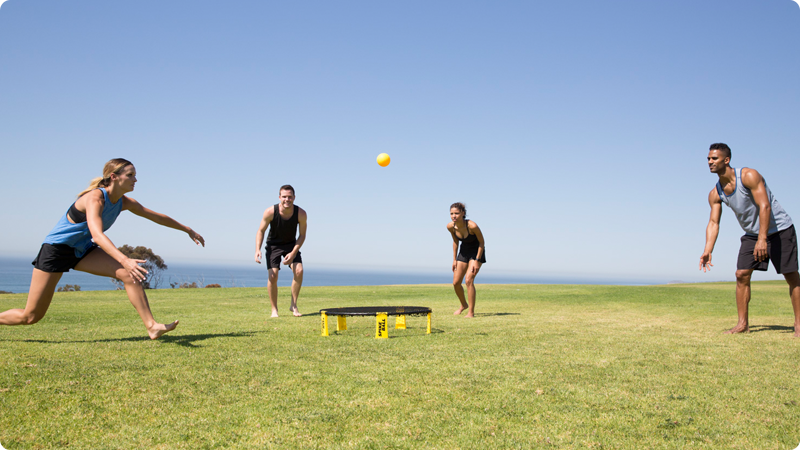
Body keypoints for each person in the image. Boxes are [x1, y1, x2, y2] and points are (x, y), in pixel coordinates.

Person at [0, 158, 205, 339]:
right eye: (131, 175)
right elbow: (97, 234)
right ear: (114, 177)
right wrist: (124, 259)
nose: (135, 180)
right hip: (56, 250)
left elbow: (155, 216)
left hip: (82, 249)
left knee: (128, 274)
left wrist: (187, 229)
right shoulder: (94, 198)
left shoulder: (124, 202)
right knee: (31, 316)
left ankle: (152, 326)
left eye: (136, 175)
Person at [700, 143, 800, 337]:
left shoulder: (748, 176)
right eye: (708, 159)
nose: (710, 162)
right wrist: (708, 249)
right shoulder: (716, 193)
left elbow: (765, 206)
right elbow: (713, 222)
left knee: (791, 276)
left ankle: (799, 323)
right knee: (741, 274)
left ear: (726, 160)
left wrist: (763, 239)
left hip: (780, 229)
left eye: (714, 158)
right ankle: (742, 324)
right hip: (752, 234)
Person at [255, 185, 307, 317]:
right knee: (273, 276)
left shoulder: (301, 213)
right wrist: (257, 249)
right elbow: (261, 231)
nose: (287, 199)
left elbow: (302, 236)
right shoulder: (270, 212)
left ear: (294, 198)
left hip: (291, 245)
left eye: (290, 197)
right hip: (273, 246)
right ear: (279, 197)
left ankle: (293, 305)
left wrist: (293, 252)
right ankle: (274, 310)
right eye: (284, 197)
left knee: (299, 270)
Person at [447, 202, 486, 318]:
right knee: (456, 282)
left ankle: (471, 313)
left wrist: (477, 260)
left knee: (469, 280)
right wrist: (454, 259)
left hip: (476, 251)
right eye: (451, 214)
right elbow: (455, 242)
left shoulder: (472, 226)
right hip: (463, 252)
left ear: (463, 213)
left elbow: (482, 242)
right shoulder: (450, 227)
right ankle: (464, 305)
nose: (454, 216)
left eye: (456, 213)